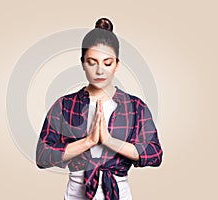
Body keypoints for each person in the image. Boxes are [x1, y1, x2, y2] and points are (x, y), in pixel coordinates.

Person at [36, 17, 163, 200]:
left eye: (107, 62)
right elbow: (42, 156)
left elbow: (155, 153)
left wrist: (110, 141)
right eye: (92, 62)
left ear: (117, 65)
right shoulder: (64, 105)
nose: (100, 70)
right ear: (82, 63)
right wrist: (88, 141)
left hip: (119, 194)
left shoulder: (135, 107)